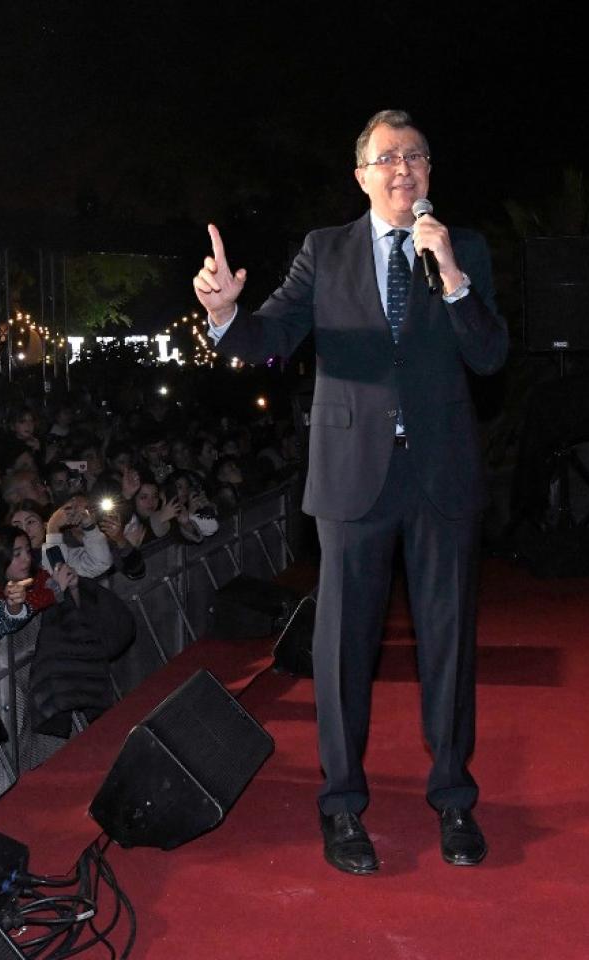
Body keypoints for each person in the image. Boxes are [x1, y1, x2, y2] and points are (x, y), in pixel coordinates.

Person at [193, 108, 507, 875]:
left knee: (449, 642)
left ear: (430, 173)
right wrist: (224, 312)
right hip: (352, 474)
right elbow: (270, 336)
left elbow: (492, 355)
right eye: (388, 158)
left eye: (418, 157)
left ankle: (455, 799)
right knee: (341, 651)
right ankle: (341, 807)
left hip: (441, 475)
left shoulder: (461, 247)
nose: (405, 170)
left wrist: (457, 282)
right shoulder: (324, 251)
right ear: (362, 174)